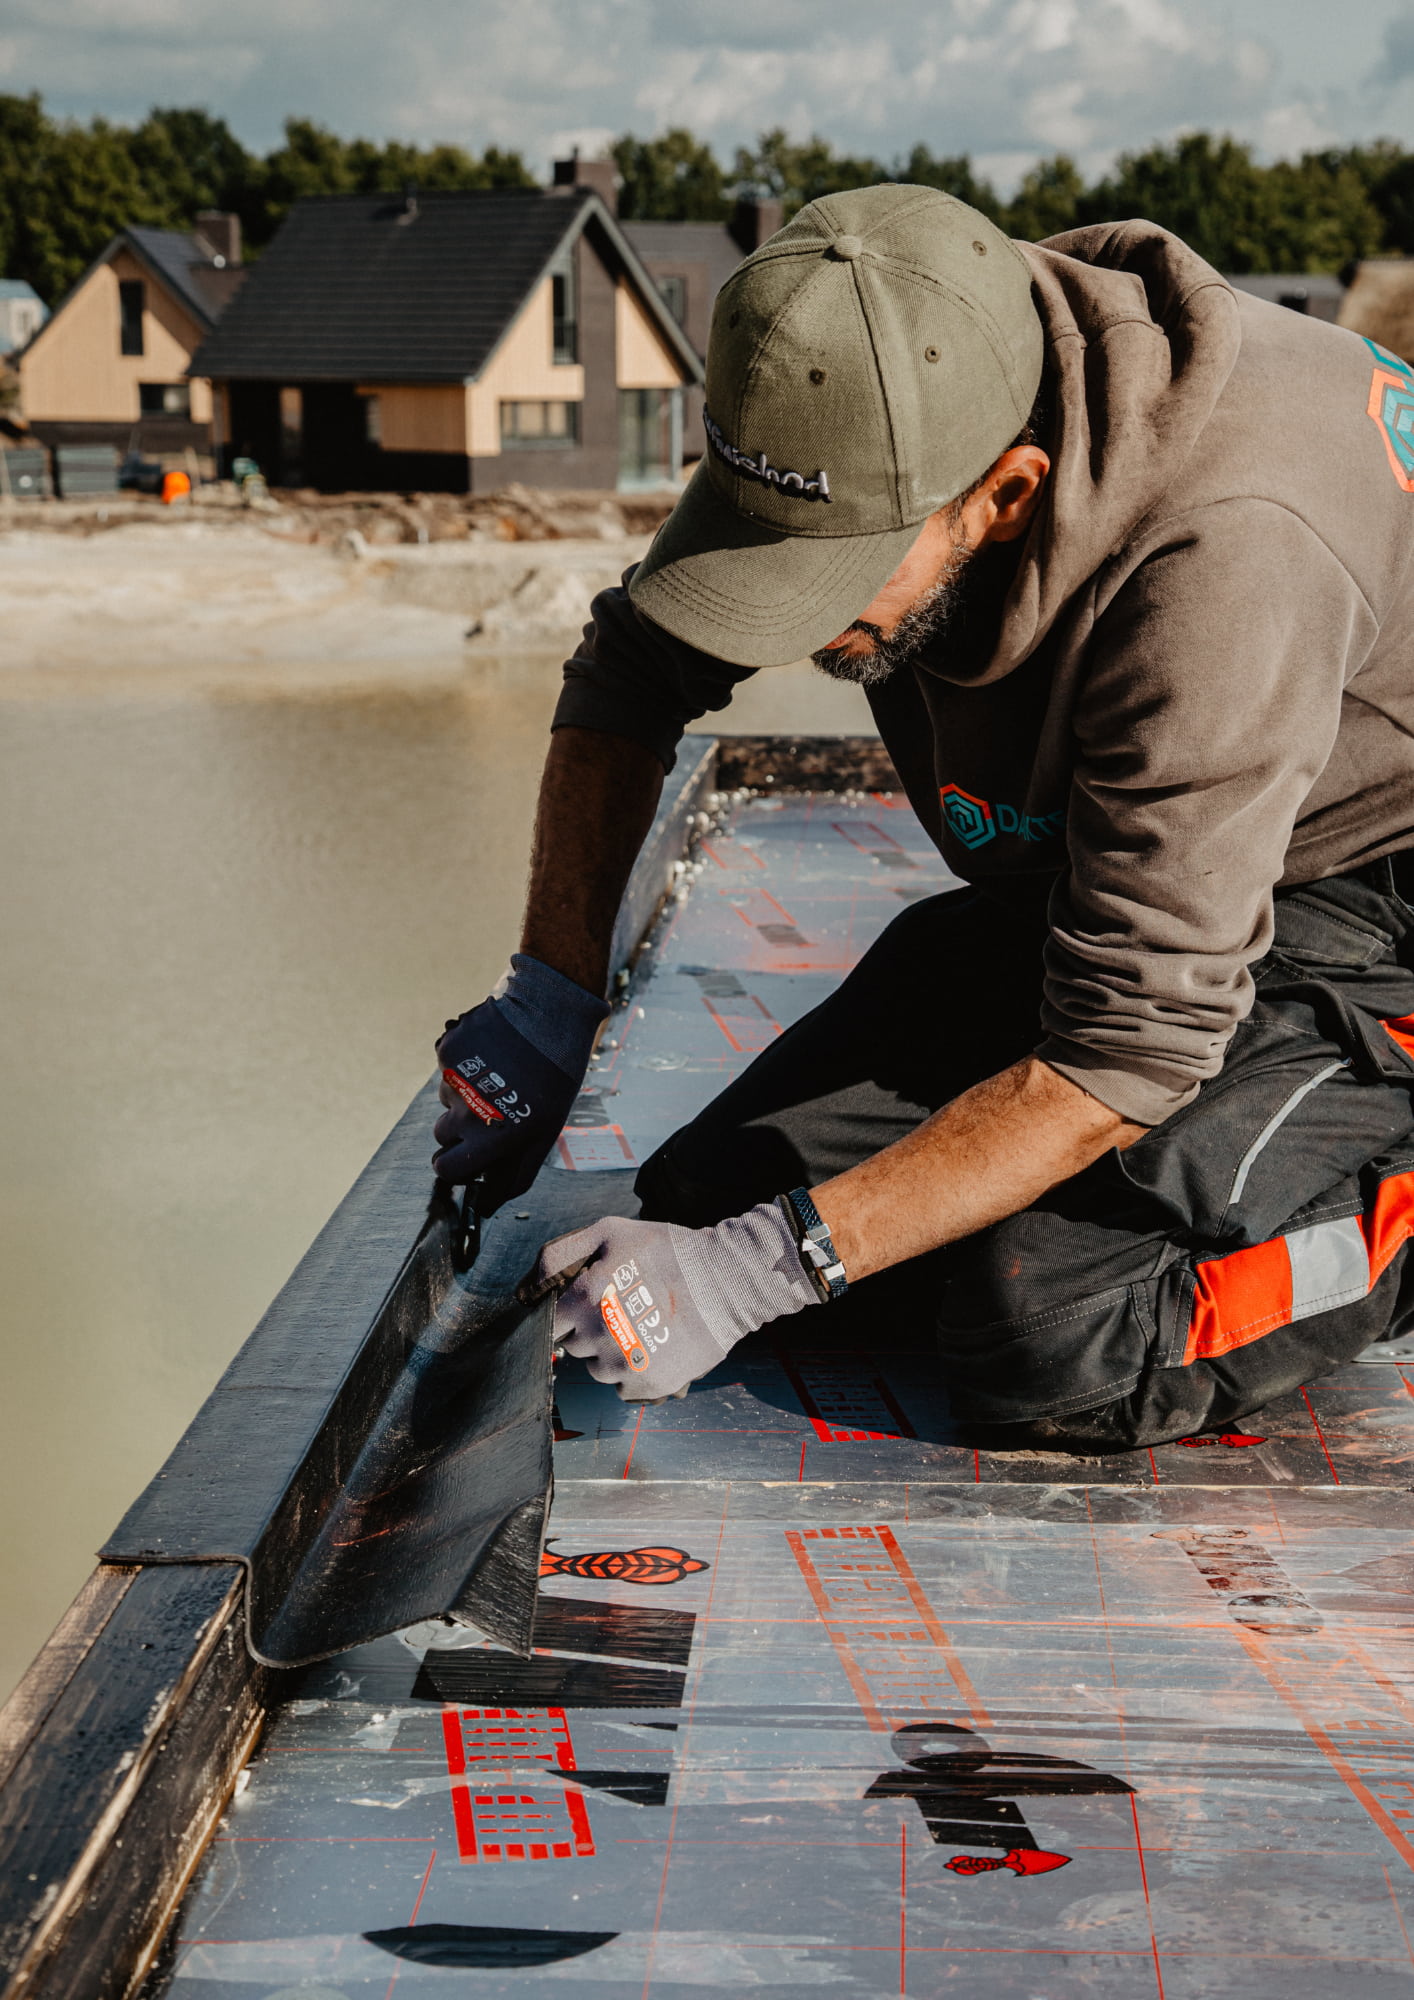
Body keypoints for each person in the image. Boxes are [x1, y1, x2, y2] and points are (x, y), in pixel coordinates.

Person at [434, 183, 1414, 1450]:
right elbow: (633, 670)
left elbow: (1126, 1047)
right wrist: (546, 1001)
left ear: (1007, 494)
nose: (794, 621)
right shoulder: (878, 358)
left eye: (832, 580)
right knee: (701, 1196)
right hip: (1176, 859)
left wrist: (756, 1273)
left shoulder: (1225, 561)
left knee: (1053, 1332)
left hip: (1374, 913)